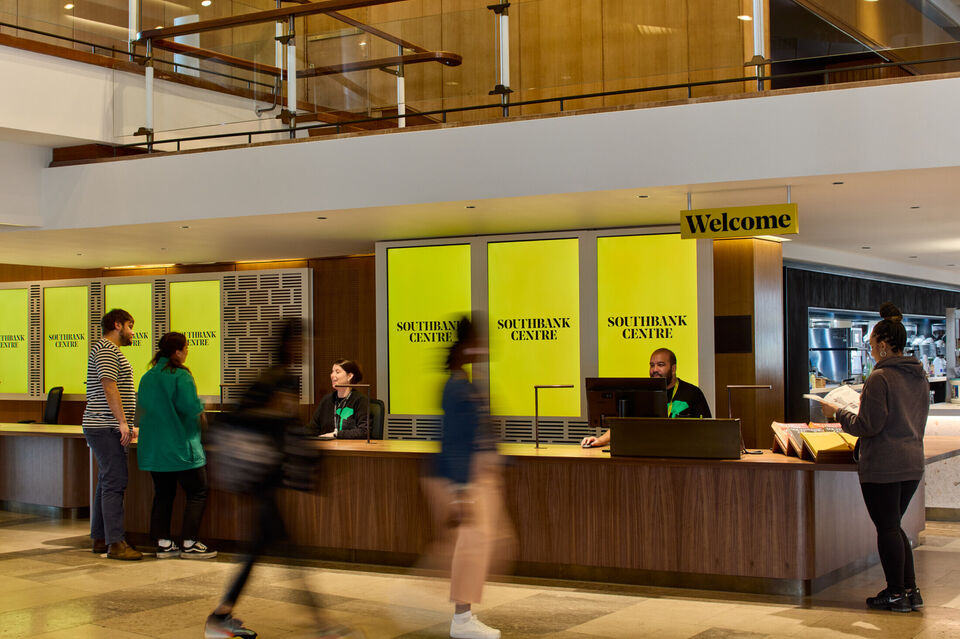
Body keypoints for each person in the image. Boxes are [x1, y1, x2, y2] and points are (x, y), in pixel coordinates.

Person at [206, 320, 343, 639]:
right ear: (290, 343)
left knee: (261, 550)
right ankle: (322, 626)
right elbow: (277, 426)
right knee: (288, 553)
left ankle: (221, 616)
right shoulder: (279, 379)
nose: (304, 349)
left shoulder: (276, 377)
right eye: (300, 342)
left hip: (261, 481)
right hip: (262, 481)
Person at [822, 303, 929, 613]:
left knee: (887, 528)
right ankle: (909, 590)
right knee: (894, 526)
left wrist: (838, 413)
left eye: (871, 346)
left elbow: (868, 425)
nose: (870, 351)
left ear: (883, 345)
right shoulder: (918, 375)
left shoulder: (880, 378)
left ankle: (897, 593)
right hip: (911, 462)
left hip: (883, 464)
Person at [422, 318, 511, 639]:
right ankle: (461, 618)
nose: (485, 348)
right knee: (470, 547)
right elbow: (454, 440)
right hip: (466, 477)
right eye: (479, 341)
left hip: (478, 474)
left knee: (487, 544)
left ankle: (455, 609)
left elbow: (480, 430)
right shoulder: (456, 386)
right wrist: (460, 492)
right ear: (467, 345)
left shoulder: (467, 382)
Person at [136, 332, 216, 560]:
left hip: (155, 450)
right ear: (177, 351)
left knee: (163, 495)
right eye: (186, 348)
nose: (187, 352)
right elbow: (192, 409)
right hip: (181, 448)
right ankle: (190, 542)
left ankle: (163, 543)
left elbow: (141, 414)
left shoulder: (147, 377)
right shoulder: (181, 376)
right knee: (197, 492)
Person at [83, 308, 141, 560]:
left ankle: (100, 537)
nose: (132, 332)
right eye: (130, 326)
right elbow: (109, 386)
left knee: (106, 480)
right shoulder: (107, 349)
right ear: (117, 325)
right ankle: (116, 543)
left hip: (105, 424)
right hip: (105, 425)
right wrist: (122, 423)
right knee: (115, 481)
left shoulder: (107, 350)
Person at [581, 347, 711, 448]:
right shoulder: (643, 393)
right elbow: (625, 424)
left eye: (660, 365)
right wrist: (600, 440)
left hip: (682, 454)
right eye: (652, 365)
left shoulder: (692, 392)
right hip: (649, 453)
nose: (655, 369)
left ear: (673, 368)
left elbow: (707, 429)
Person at [305, 359, 370, 439]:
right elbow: (312, 428)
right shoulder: (327, 400)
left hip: (351, 448)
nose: (332, 375)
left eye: (337, 372)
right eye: (332, 372)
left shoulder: (360, 400)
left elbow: (364, 431)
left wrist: (336, 434)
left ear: (349, 376)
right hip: (328, 449)